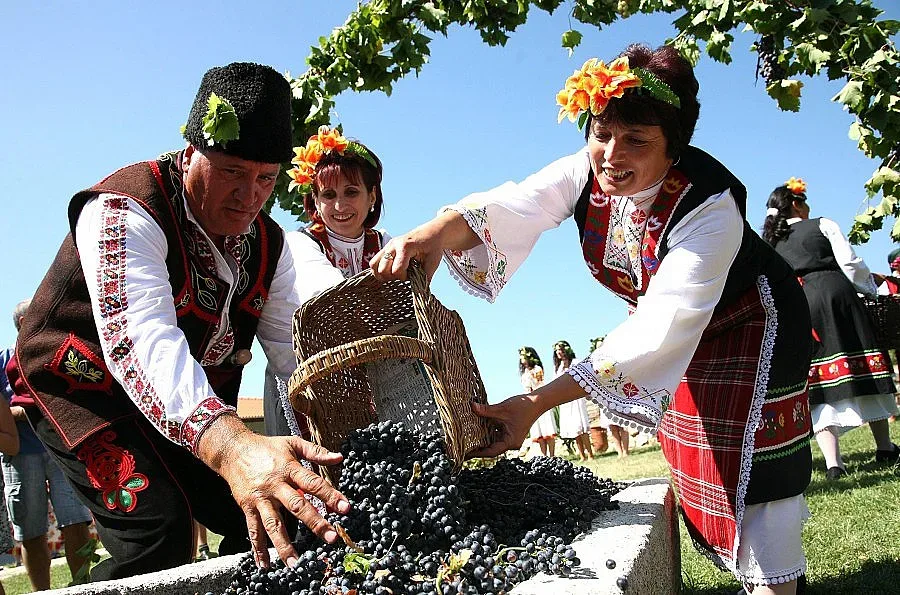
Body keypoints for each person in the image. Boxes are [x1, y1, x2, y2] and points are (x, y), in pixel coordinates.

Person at [373, 44, 814, 594]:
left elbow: (661, 325)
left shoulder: (709, 207)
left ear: (673, 147)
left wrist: (535, 402)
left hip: (750, 322)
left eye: (636, 139)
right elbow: (517, 205)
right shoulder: (584, 172)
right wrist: (431, 234)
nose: (610, 152)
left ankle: (777, 586)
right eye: (601, 132)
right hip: (680, 328)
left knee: (753, 459)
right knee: (697, 449)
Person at [7, 62, 351, 580]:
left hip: (184, 400)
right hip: (81, 385)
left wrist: (350, 434)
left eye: (265, 179)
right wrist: (234, 448)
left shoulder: (272, 246)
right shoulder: (124, 209)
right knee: (158, 536)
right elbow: (142, 342)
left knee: (272, 510)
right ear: (191, 154)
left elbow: (292, 355)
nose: (250, 195)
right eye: (232, 171)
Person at [762, 179, 900, 478]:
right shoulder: (822, 224)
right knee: (862, 363)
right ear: (797, 203)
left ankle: (833, 463)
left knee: (819, 380)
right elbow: (849, 263)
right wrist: (871, 290)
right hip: (836, 295)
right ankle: (885, 447)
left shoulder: (771, 241)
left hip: (798, 304)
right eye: (805, 200)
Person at [264, 130, 389, 438]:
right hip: (302, 383)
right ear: (315, 202)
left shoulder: (386, 242)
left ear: (372, 195)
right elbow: (329, 299)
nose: (339, 206)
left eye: (351, 192)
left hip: (371, 378)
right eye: (328, 196)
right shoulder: (300, 243)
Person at [1, 299, 94, 590]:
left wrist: (22, 411)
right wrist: (33, 410)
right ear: (21, 324)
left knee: (77, 521)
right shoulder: (3, 361)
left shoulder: (58, 353)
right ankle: (42, 591)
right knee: (30, 531)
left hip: (63, 449)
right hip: (20, 456)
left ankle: (83, 586)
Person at [552, 341, 593, 461]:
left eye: (560, 349)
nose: (558, 352)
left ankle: (590, 454)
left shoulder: (575, 362)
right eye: (556, 350)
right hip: (566, 400)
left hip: (576, 398)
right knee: (574, 428)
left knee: (581, 426)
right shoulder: (558, 367)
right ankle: (582, 455)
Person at [518, 347, 557, 457]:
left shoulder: (537, 369)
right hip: (530, 403)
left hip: (541, 400)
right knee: (538, 430)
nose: (522, 359)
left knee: (547, 429)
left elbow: (540, 384)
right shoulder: (524, 373)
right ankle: (544, 455)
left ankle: (552, 455)